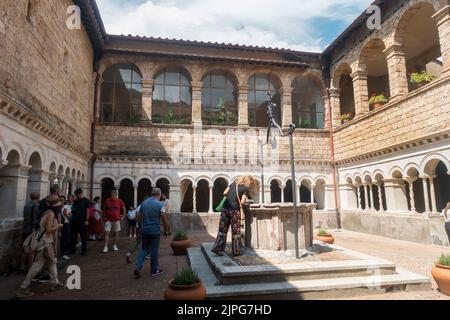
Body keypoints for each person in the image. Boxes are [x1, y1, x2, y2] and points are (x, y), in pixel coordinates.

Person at [16, 195, 65, 298]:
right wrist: (58, 226)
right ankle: (23, 288)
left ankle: (55, 282)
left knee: (52, 262)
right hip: (45, 243)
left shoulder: (47, 212)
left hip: (47, 242)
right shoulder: (51, 214)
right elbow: (48, 230)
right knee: (37, 266)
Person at [211, 175, 258, 257]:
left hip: (225, 209)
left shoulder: (233, 184)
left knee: (222, 230)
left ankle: (217, 248)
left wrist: (230, 198)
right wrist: (246, 199)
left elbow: (225, 192)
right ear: (248, 181)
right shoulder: (245, 188)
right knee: (235, 231)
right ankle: (236, 251)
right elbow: (243, 201)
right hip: (235, 211)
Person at [134, 188, 169, 278]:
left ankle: (138, 267)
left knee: (144, 248)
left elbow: (138, 214)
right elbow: (164, 219)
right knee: (154, 249)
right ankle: (154, 270)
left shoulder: (144, 203)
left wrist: (140, 226)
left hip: (144, 230)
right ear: (159, 195)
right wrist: (166, 230)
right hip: (155, 231)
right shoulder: (160, 204)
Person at [20, 192, 41, 272]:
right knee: (31, 250)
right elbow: (37, 219)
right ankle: (29, 268)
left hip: (25, 228)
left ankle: (21, 266)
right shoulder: (36, 206)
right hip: (31, 230)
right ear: (38, 197)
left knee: (24, 248)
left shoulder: (26, 205)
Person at [69, 189, 90, 256]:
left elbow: (87, 211)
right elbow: (73, 210)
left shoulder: (86, 201)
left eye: (76, 194)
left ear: (80, 194)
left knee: (83, 237)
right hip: (74, 221)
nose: (76, 196)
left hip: (82, 221)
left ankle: (84, 250)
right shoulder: (76, 201)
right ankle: (73, 250)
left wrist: (87, 220)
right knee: (73, 237)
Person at [60, 195, 72, 260]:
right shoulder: (57, 207)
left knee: (65, 239)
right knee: (60, 239)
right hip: (59, 224)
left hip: (66, 224)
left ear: (64, 200)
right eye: (60, 200)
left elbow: (70, 218)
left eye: (62, 200)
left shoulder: (67, 207)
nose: (61, 201)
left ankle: (64, 253)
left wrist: (65, 214)